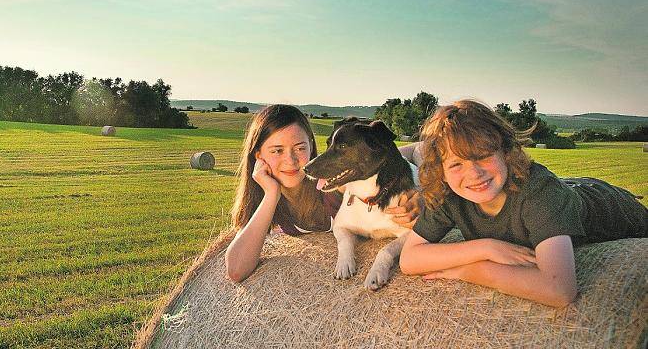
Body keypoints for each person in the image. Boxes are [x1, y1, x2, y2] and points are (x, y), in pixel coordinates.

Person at [399, 100, 648, 307]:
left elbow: (559, 290)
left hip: (619, 209)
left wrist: (472, 271)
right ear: (440, 170)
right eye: (456, 164)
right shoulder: (450, 194)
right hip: (569, 188)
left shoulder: (539, 193)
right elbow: (409, 259)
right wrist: (486, 248)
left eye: (483, 156)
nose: (474, 173)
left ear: (506, 152)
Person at [225, 104, 421, 282]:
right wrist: (271, 195)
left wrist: (421, 192)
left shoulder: (337, 182)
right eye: (277, 151)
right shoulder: (265, 200)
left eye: (300, 147)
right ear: (258, 156)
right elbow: (236, 270)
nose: (291, 160)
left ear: (311, 146)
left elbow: (398, 157)